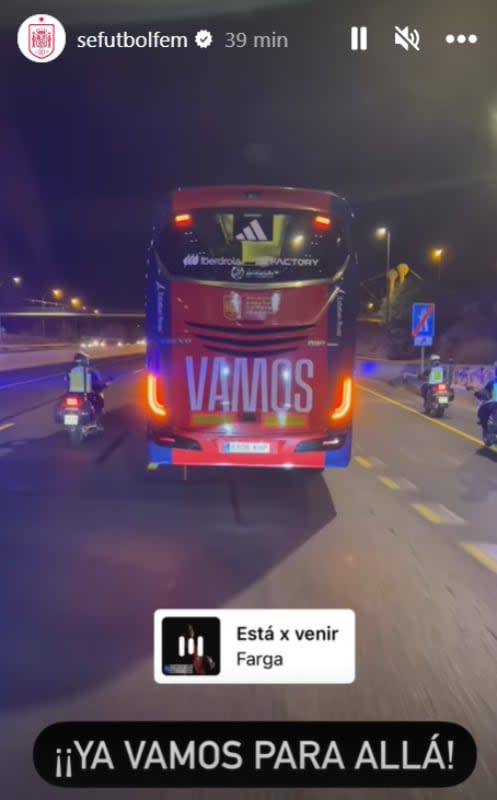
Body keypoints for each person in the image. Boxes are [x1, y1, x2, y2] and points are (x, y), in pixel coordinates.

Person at [66, 352, 106, 425]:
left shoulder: (71, 370)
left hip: (73, 394)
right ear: (85, 361)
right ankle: (96, 419)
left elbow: (66, 379)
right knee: (99, 399)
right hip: (86, 394)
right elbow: (97, 383)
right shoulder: (91, 371)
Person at [476, 362, 497, 435]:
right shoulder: (493, 382)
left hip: (493, 404)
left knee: (482, 409)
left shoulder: (493, 382)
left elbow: (484, 391)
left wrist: (478, 393)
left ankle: (484, 425)